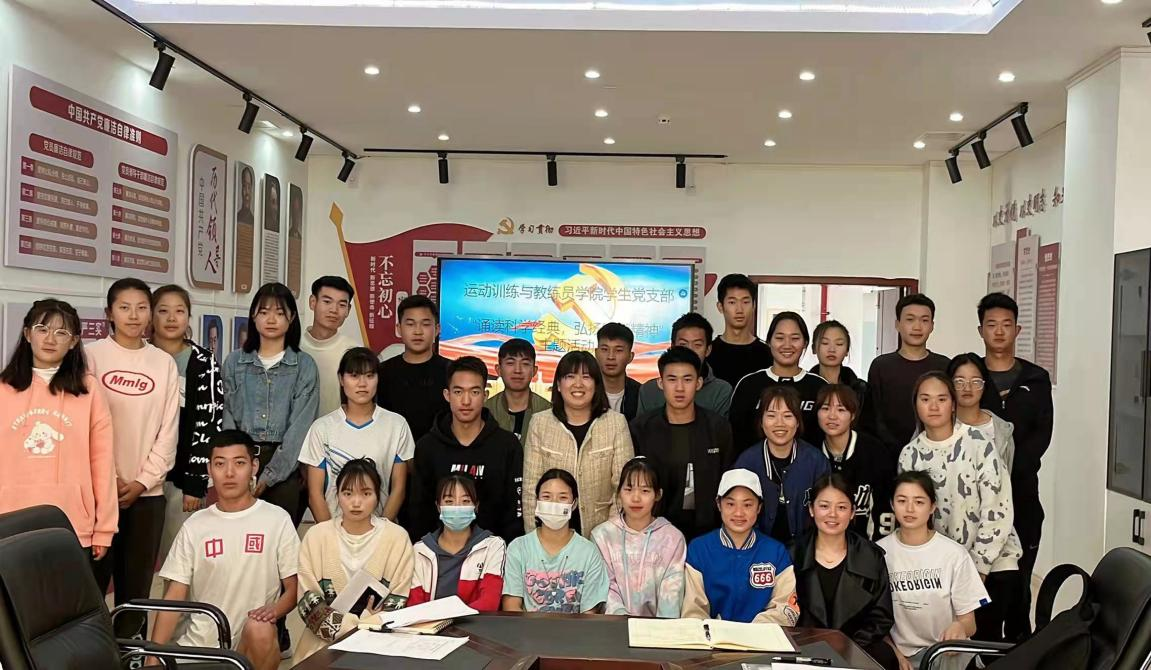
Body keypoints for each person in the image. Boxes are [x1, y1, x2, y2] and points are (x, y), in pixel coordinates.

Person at [149, 431, 300, 670]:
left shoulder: (277, 519)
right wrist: (152, 657)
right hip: (200, 649)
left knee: (260, 629)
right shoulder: (195, 525)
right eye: (220, 464)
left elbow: (294, 588)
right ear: (209, 470)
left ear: (254, 467)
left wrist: (273, 611)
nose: (229, 473)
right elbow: (174, 596)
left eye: (239, 463)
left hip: (250, 645)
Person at [86, 278, 180, 639]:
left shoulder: (163, 363)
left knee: (136, 588)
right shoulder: (90, 357)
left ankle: (130, 653)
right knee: (91, 585)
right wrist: (107, 479)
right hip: (97, 495)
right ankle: (92, 653)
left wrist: (143, 481)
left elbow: (168, 431)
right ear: (109, 313)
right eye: (124, 307)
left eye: (142, 307)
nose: (134, 315)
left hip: (147, 495)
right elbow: (84, 425)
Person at [898, 372, 1022, 644]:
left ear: (953, 404)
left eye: (942, 399)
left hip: (991, 564)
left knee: (985, 646)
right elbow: (911, 515)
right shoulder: (910, 454)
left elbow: (998, 510)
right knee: (948, 645)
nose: (933, 406)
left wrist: (978, 570)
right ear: (915, 405)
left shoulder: (979, 443)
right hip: (943, 569)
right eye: (925, 399)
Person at [0, 299, 116, 557]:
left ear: (74, 341)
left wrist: (104, 528)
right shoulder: (3, 389)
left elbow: (103, 462)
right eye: (42, 329)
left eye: (61, 332)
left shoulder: (88, 390)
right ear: (27, 334)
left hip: (72, 524)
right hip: (8, 522)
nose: (50, 339)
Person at [976, 291, 1052, 641]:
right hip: (978, 499)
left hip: (1022, 494)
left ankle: (1021, 645)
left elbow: (1041, 433)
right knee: (983, 580)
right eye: (991, 324)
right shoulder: (972, 376)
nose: (999, 331)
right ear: (981, 330)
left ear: (1017, 330)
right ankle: (981, 648)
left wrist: (1010, 470)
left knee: (1020, 580)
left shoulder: (1035, 378)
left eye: (1006, 324)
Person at [294, 458, 414, 663]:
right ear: (337, 495)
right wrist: (357, 625)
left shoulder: (396, 538)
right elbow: (308, 601)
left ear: (377, 496)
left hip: (380, 644)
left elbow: (398, 599)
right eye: (348, 493)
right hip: (322, 645)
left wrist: (368, 628)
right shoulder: (316, 536)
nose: (356, 502)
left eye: (366, 494)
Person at [222, 282, 319, 528]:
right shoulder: (234, 362)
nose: (271, 319)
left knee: (278, 541)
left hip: (285, 467)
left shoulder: (304, 366)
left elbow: (299, 430)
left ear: (292, 317)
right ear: (253, 316)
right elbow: (227, 417)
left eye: (279, 312)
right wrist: (238, 465)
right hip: (239, 462)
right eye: (264, 312)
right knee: (237, 538)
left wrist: (268, 477)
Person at [878, 472, 990, 670]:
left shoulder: (954, 554)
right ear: (892, 504)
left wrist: (959, 627)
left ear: (932, 507)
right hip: (902, 656)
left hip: (946, 652)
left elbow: (970, 623)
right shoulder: (879, 553)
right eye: (902, 501)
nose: (910, 509)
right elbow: (873, 623)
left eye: (919, 502)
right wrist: (895, 654)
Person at [790, 474, 898, 670]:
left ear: (852, 512)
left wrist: (848, 647)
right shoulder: (792, 555)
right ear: (811, 509)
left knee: (884, 656)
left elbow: (881, 616)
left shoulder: (871, 556)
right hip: (804, 650)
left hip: (858, 648)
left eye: (841, 507)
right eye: (824, 506)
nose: (832, 514)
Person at [412, 356, 524, 543]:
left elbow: (514, 511)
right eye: (458, 392)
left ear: (485, 396)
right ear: (447, 395)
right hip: (438, 553)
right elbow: (419, 512)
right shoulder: (427, 447)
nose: (466, 401)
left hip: (495, 553)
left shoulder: (507, 445)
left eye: (474, 392)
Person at [522, 350, 634, 536]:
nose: (578, 384)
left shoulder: (616, 423)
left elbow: (623, 488)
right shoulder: (540, 423)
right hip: (550, 534)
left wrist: (609, 538)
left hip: (601, 534)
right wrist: (534, 540)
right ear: (559, 384)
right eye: (570, 376)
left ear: (596, 385)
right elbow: (530, 489)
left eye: (586, 377)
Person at [150, 285, 224, 562]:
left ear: (188, 317)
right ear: (151, 316)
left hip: (181, 478)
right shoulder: (138, 356)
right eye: (163, 311)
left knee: (179, 560)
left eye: (179, 311)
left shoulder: (204, 362)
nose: (172, 318)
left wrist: (195, 483)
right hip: (138, 477)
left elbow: (209, 423)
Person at [630, 346, 735, 541]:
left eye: (687, 379)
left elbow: (728, 480)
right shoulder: (641, 429)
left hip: (708, 532)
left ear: (699, 383)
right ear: (660, 383)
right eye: (672, 379)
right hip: (654, 532)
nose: (679, 388)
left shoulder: (718, 427)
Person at [299, 347, 415, 523]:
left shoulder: (396, 425)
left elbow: (398, 489)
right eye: (354, 376)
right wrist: (330, 533)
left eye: (369, 376)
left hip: (380, 528)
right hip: (333, 528)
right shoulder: (321, 429)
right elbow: (315, 494)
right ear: (341, 379)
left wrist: (382, 531)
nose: (362, 383)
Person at [682, 468, 799, 625]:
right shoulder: (699, 549)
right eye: (730, 504)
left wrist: (751, 632)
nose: (738, 513)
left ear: (759, 507)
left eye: (747, 505)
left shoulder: (776, 552)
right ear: (719, 504)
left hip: (762, 637)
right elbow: (693, 610)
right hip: (712, 638)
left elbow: (787, 608)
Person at [502, 469, 610, 613]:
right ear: (537, 501)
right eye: (546, 497)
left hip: (576, 628)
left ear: (574, 503)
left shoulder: (589, 552)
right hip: (527, 627)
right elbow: (511, 607)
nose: (554, 503)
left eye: (562, 497)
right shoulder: (518, 548)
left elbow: (589, 613)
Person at [732, 386, 830, 542]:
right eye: (771, 416)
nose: (780, 423)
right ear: (761, 422)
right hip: (756, 548)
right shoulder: (746, 462)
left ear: (798, 422)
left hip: (806, 549)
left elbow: (826, 510)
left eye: (788, 416)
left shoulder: (816, 461)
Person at [591, 457, 686, 617]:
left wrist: (661, 628)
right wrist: (622, 620)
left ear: (658, 494)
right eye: (628, 489)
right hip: (615, 625)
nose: (636, 498)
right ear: (619, 493)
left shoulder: (672, 538)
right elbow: (606, 587)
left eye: (645, 491)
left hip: (658, 629)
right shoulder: (602, 536)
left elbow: (672, 593)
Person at [863, 294, 950, 462]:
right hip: (888, 456)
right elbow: (873, 416)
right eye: (910, 319)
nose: (917, 327)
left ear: (932, 326)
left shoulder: (944, 366)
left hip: (938, 454)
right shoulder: (881, 366)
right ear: (897, 324)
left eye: (924, 320)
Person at [730, 311, 828, 450]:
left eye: (795, 338)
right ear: (769, 342)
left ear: (805, 343)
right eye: (780, 338)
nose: (787, 345)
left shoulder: (819, 386)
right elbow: (735, 435)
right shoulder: (748, 384)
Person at [410, 473, 506, 612]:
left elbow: (489, 602)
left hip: (476, 624)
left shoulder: (493, 546)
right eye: (449, 501)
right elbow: (414, 606)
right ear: (438, 506)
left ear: (476, 506)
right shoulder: (420, 550)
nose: (457, 507)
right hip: (430, 625)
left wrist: (452, 618)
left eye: (465, 501)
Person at [816, 384, 894, 539]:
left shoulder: (874, 451)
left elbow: (885, 504)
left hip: (866, 544)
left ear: (852, 415)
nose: (832, 416)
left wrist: (877, 547)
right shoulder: (811, 452)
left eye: (841, 410)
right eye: (825, 408)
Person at [375, 295, 450, 442]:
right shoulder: (382, 372)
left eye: (425, 324)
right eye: (410, 324)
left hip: (441, 452)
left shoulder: (452, 372)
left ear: (437, 329)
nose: (418, 331)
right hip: (392, 451)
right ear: (399, 329)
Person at [637, 312, 733, 417]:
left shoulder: (721, 390)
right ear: (672, 346)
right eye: (683, 344)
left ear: (708, 350)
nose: (690, 350)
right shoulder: (648, 391)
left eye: (697, 345)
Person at [300, 276, 359, 417]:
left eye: (342, 305)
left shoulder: (354, 351)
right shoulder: (293, 346)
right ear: (312, 302)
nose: (334, 310)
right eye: (327, 302)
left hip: (339, 429)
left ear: (348, 310)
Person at [949, 353, 1015, 471]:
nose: (967, 388)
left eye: (975, 381)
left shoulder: (1002, 429)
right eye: (959, 381)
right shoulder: (935, 423)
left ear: (984, 385)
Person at [707, 273, 773, 388]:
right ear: (720, 307)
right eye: (732, 302)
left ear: (754, 306)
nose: (739, 310)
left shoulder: (768, 353)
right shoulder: (708, 352)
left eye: (745, 302)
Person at [485, 338, 551, 441]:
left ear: (534, 371)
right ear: (499, 370)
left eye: (525, 364)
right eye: (510, 363)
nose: (518, 370)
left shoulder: (548, 412)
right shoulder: (485, 412)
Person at [811, 320, 868, 408]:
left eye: (839, 344)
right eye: (825, 343)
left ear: (847, 350)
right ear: (814, 348)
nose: (832, 349)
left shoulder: (861, 389)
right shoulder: (803, 386)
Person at [595, 322, 641, 420]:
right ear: (596, 353)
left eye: (618, 350)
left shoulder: (642, 394)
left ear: (630, 356)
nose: (611, 357)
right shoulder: (586, 392)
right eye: (604, 349)